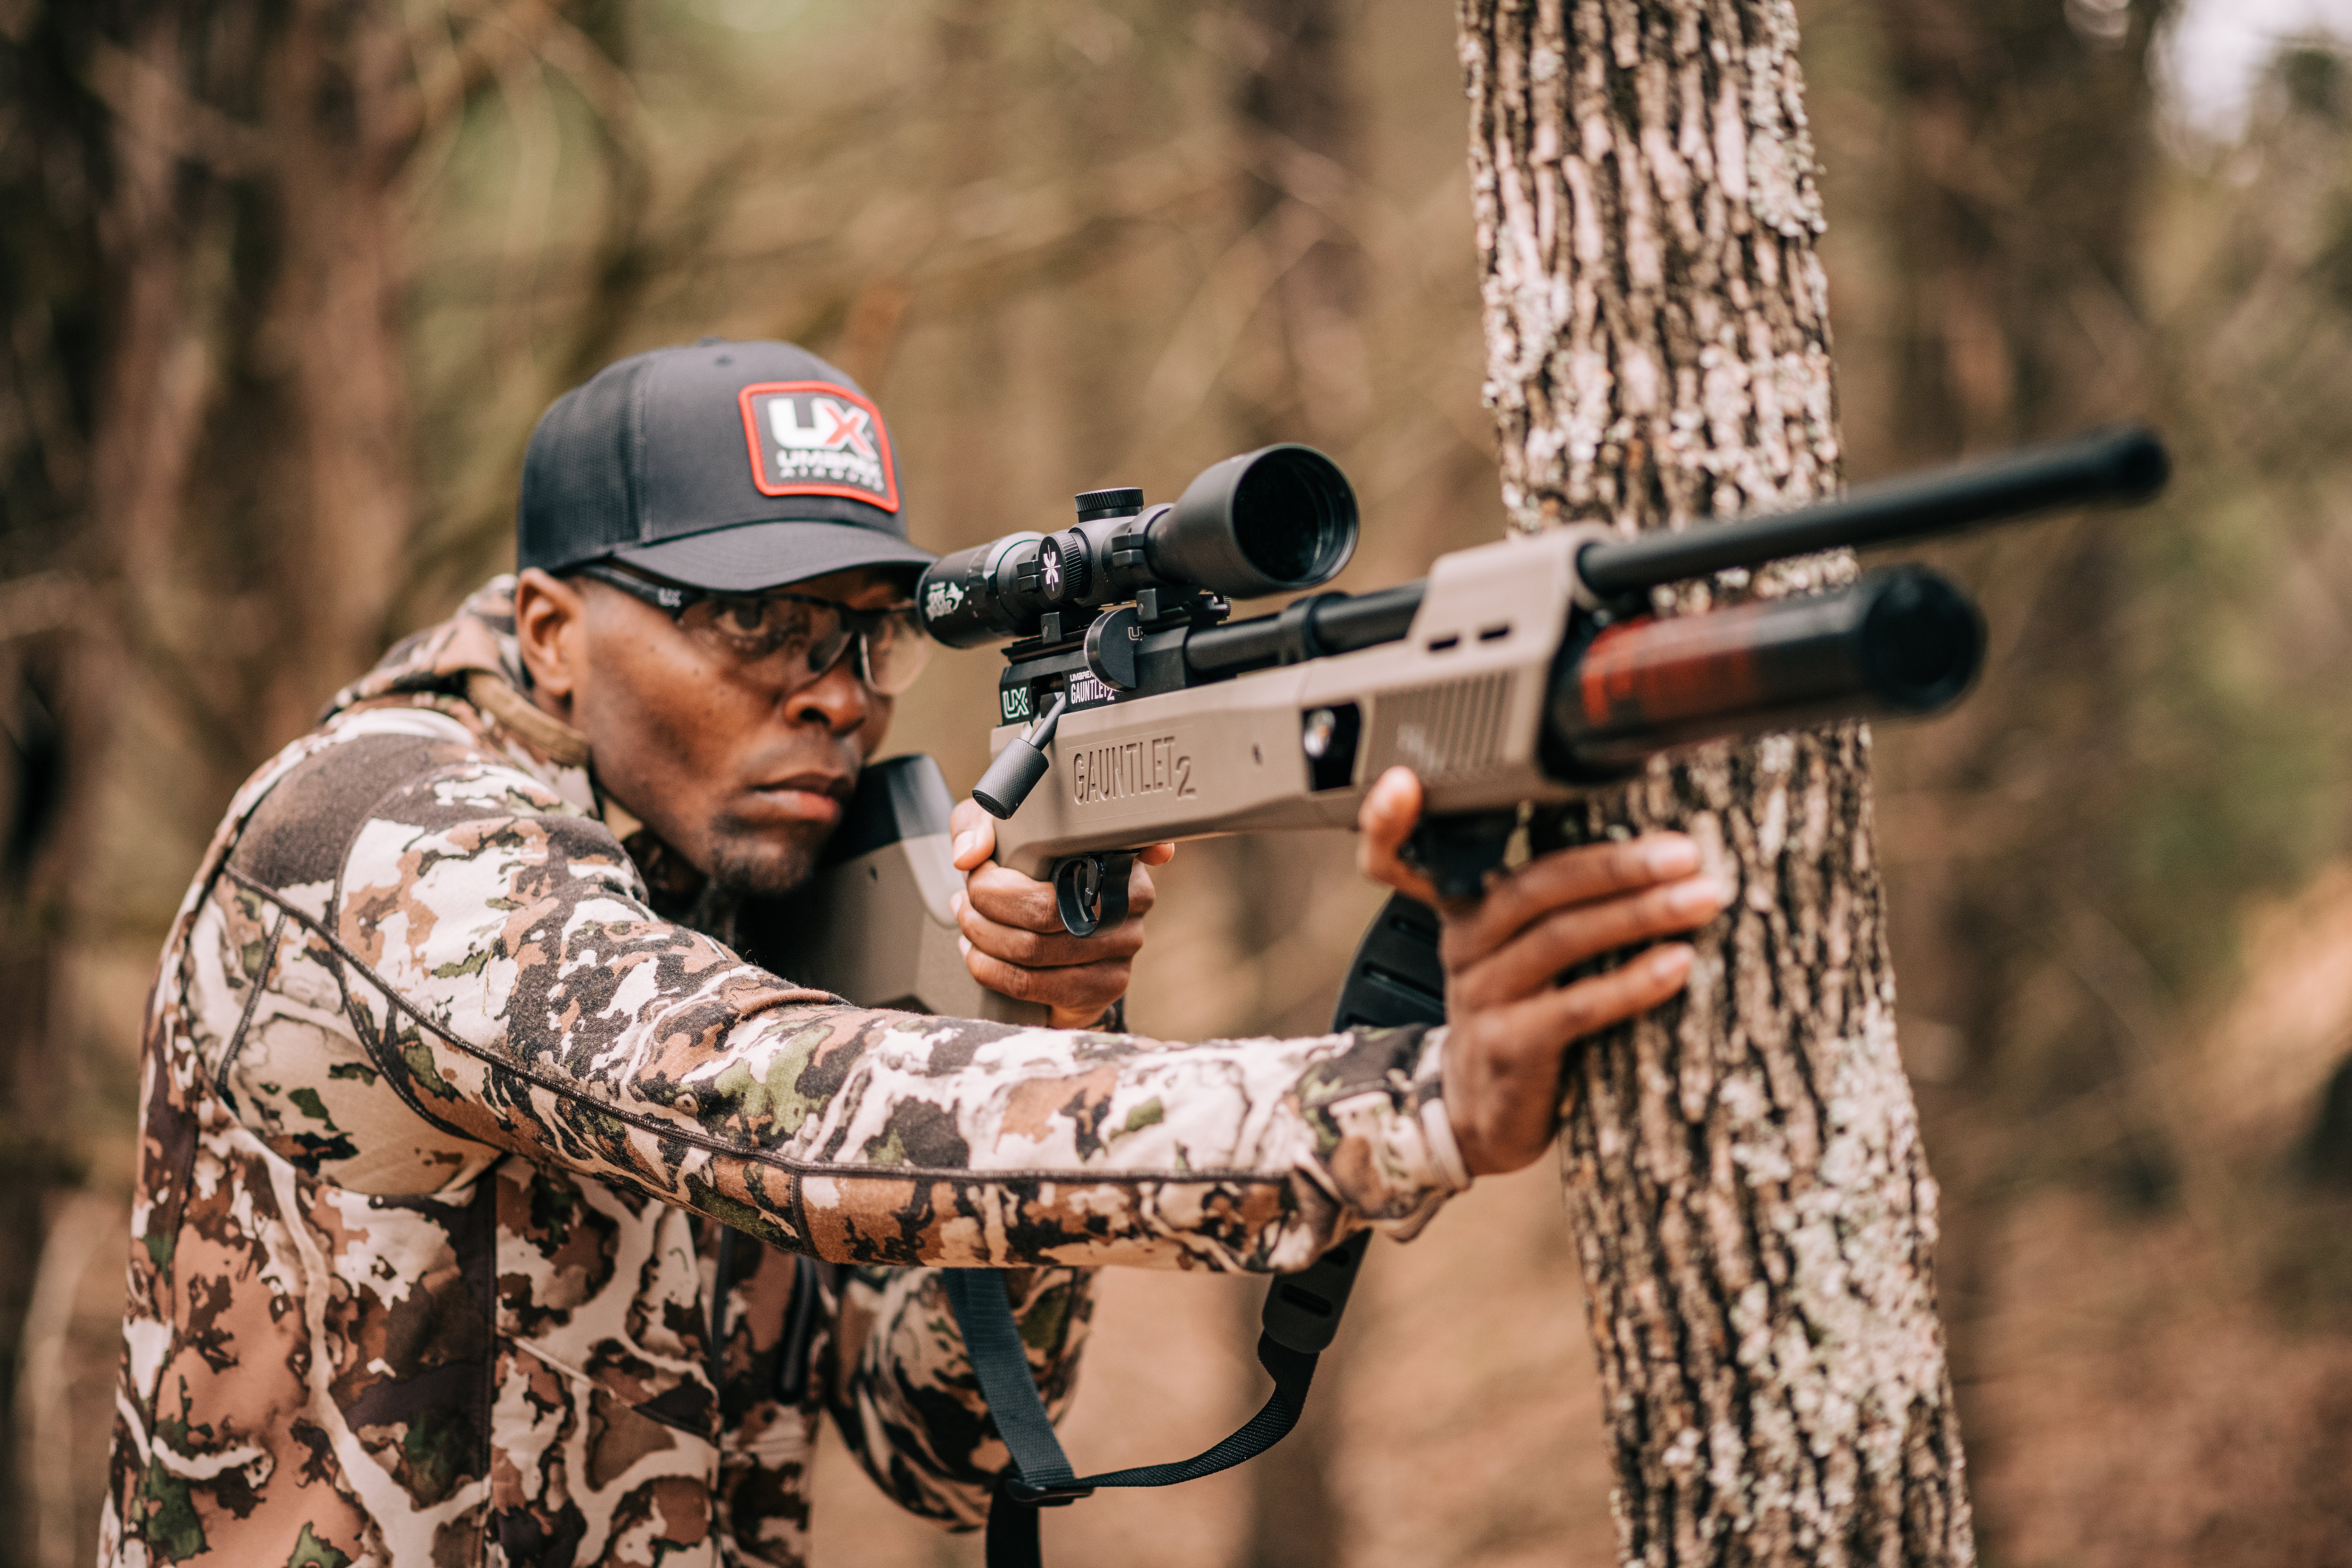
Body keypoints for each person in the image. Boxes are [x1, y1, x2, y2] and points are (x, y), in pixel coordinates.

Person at [99, 340, 1728, 1567]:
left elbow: (941, 1450)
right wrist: (1402, 1103)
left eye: (871, 625)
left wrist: (1035, 1015)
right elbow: (767, 1104)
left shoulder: (752, 883)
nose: (839, 689)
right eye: (759, 624)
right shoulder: (382, 832)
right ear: (549, 632)